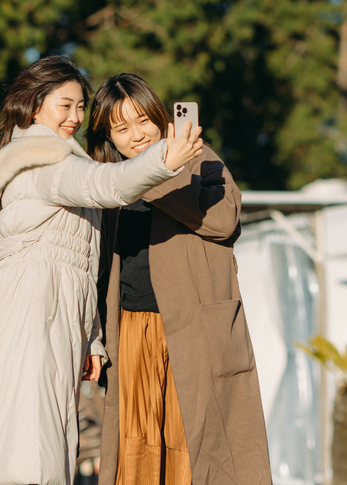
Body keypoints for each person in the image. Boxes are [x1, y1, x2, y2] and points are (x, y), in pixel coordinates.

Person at [0, 56, 204, 485]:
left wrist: (90, 339)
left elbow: (79, 263)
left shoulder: (53, 160)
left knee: (8, 437)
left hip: (38, 315)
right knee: (23, 444)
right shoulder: (44, 160)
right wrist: (164, 158)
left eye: (81, 107)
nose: (76, 117)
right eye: (64, 105)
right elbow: (109, 185)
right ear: (34, 107)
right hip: (28, 317)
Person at [86, 73, 270, 485]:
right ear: (108, 136)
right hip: (131, 330)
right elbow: (95, 268)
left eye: (143, 121)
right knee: (136, 447)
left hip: (194, 331)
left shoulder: (197, 156)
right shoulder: (106, 181)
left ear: (158, 117)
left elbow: (224, 221)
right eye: (121, 127)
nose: (136, 135)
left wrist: (158, 171)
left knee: (198, 445)